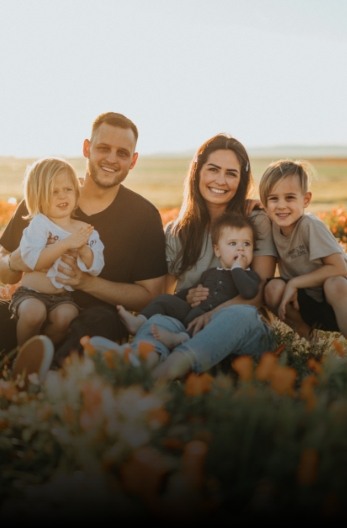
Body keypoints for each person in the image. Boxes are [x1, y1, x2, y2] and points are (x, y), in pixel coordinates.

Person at [0, 112, 167, 380]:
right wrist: (12, 263)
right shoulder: (47, 197)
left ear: (133, 161)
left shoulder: (143, 216)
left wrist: (85, 282)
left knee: (101, 322)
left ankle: (47, 377)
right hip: (31, 307)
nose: (112, 159)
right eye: (103, 148)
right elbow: (4, 267)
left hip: (90, 319)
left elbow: (150, 294)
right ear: (87, 148)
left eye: (122, 153)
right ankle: (22, 365)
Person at [116, 212, 261, 348]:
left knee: (200, 326)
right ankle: (139, 321)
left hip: (215, 320)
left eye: (246, 244)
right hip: (192, 311)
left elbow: (248, 292)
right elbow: (190, 292)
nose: (240, 249)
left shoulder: (250, 276)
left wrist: (237, 268)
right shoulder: (210, 273)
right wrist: (186, 296)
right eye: (233, 244)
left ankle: (180, 338)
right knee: (164, 300)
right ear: (217, 250)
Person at [10, 157, 105, 346]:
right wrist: (66, 243)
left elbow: (97, 266)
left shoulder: (85, 230)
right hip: (31, 293)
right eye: (54, 192)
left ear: (76, 193)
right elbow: (33, 261)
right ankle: (21, 355)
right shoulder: (39, 224)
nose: (62, 196)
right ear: (38, 196)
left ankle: (45, 352)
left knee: (67, 316)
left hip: (62, 297)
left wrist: (85, 251)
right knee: (33, 313)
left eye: (68, 189)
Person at [259, 159, 347, 339]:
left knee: (334, 284)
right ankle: (312, 342)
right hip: (308, 301)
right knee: (273, 288)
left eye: (290, 197)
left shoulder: (310, 225)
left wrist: (294, 283)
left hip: (338, 298)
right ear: (265, 203)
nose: (281, 205)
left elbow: (340, 268)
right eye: (274, 199)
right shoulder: (273, 227)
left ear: (306, 200)